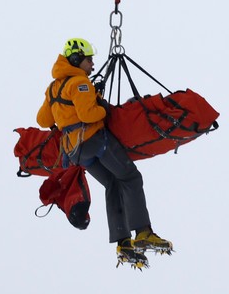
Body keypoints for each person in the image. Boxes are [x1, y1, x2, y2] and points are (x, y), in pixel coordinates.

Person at [36, 38, 172, 268]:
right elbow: (90, 115)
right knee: (130, 177)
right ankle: (143, 233)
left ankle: (123, 242)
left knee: (113, 183)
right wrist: (101, 106)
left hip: (75, 151)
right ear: (77, 60)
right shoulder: (80, 83)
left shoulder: (54, 87)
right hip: (93, 140)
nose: (92, 65)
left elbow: (43, 120)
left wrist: (78, 106)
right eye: (89, 60)